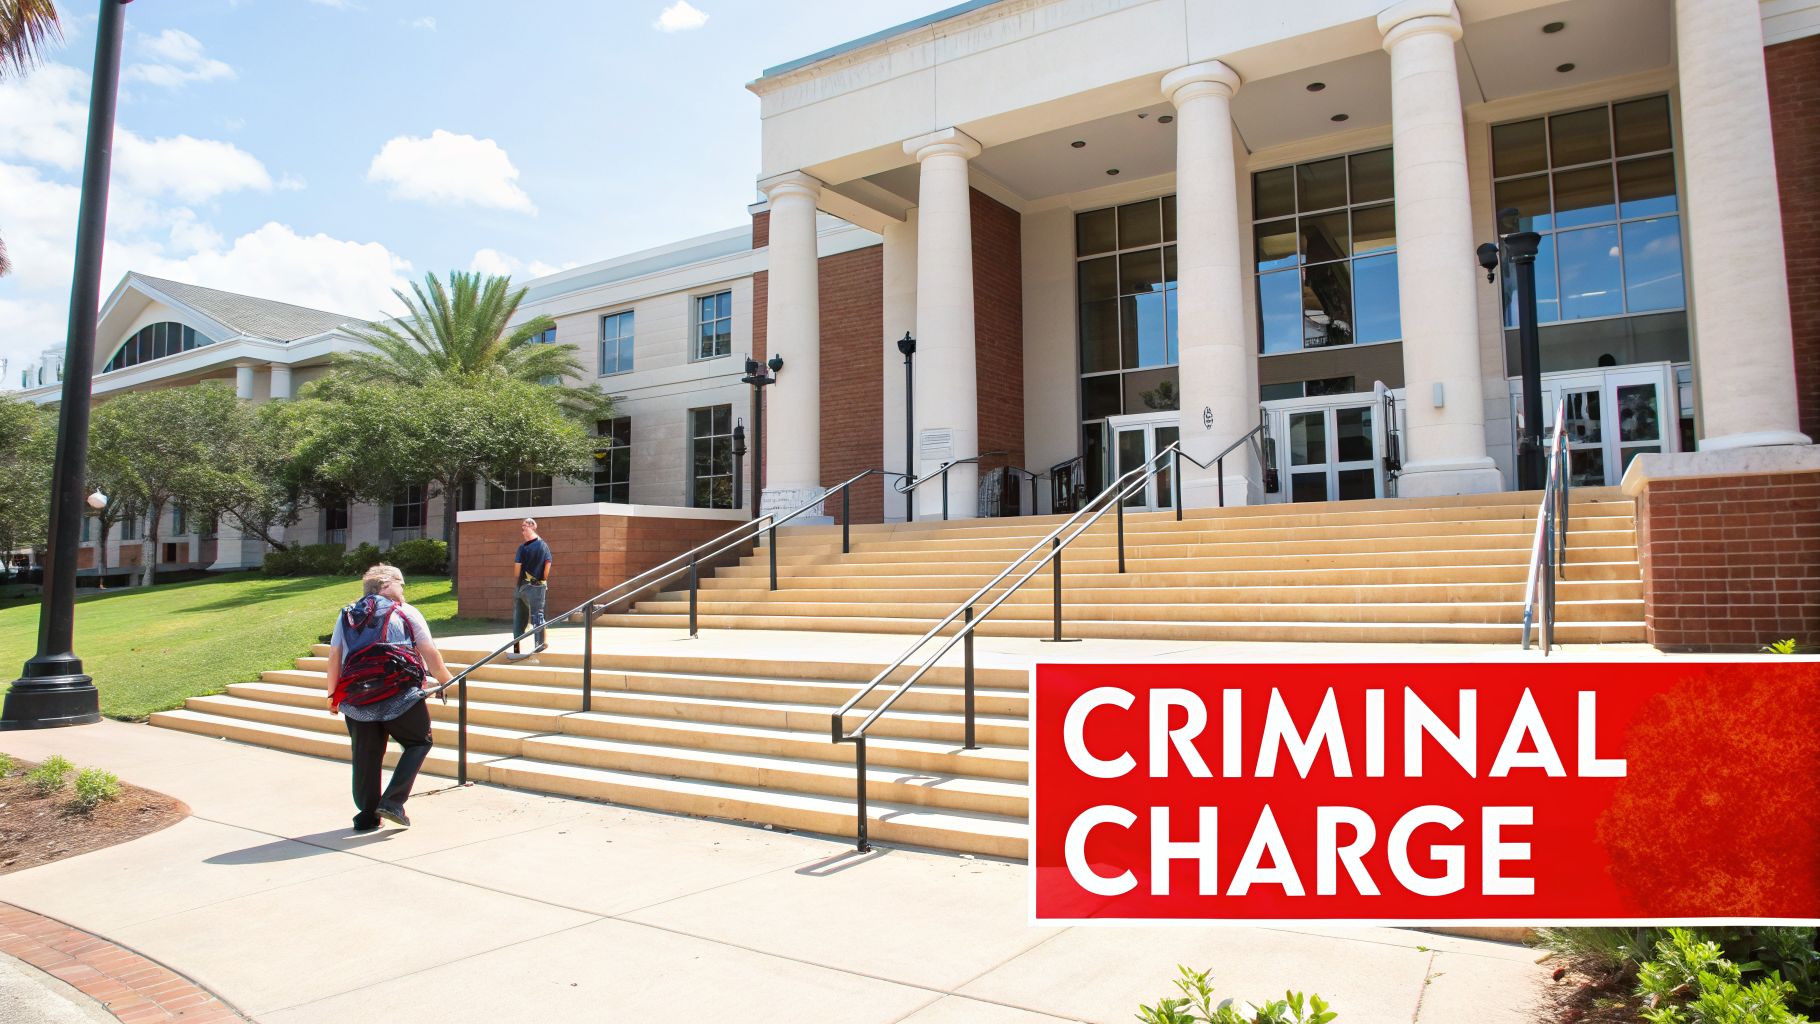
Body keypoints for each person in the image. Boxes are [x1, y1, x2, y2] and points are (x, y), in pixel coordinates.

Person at [324, 563, 453, 832]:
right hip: (400, 695)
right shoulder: (405, 611)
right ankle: (393, 802)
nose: (404, 589)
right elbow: (429, 652)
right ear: (385, 585)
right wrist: (446, 680)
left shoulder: (347, 614)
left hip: (357, 698)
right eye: (401, 583)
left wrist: (332, 695)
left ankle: (367, 816)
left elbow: (335, 655)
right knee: (419, 742)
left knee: (365, 755)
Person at [508, 517, 552, 661]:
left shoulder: (534, 547)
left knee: (532, 616)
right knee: (525, 617)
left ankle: (538, 644)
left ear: (533, 526)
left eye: (525, 527)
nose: (523, 530)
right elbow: (547, 564)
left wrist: (540, 581)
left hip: (527, 586)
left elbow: (518, 568)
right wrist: (542, 581)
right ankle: (523, 647)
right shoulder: (539, 546)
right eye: (522, 528)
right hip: (528, 587)